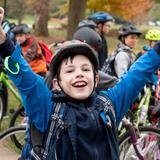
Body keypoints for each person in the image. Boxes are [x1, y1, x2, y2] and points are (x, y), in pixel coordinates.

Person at [1, 7, 160, 160]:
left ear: (96, 79)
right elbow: (24, 75)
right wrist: (3, 40)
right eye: (70, 71)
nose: (79, 74)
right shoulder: (47, 108)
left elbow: (138, 73)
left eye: (85, 69)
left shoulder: (109, 105)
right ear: (56, 83)